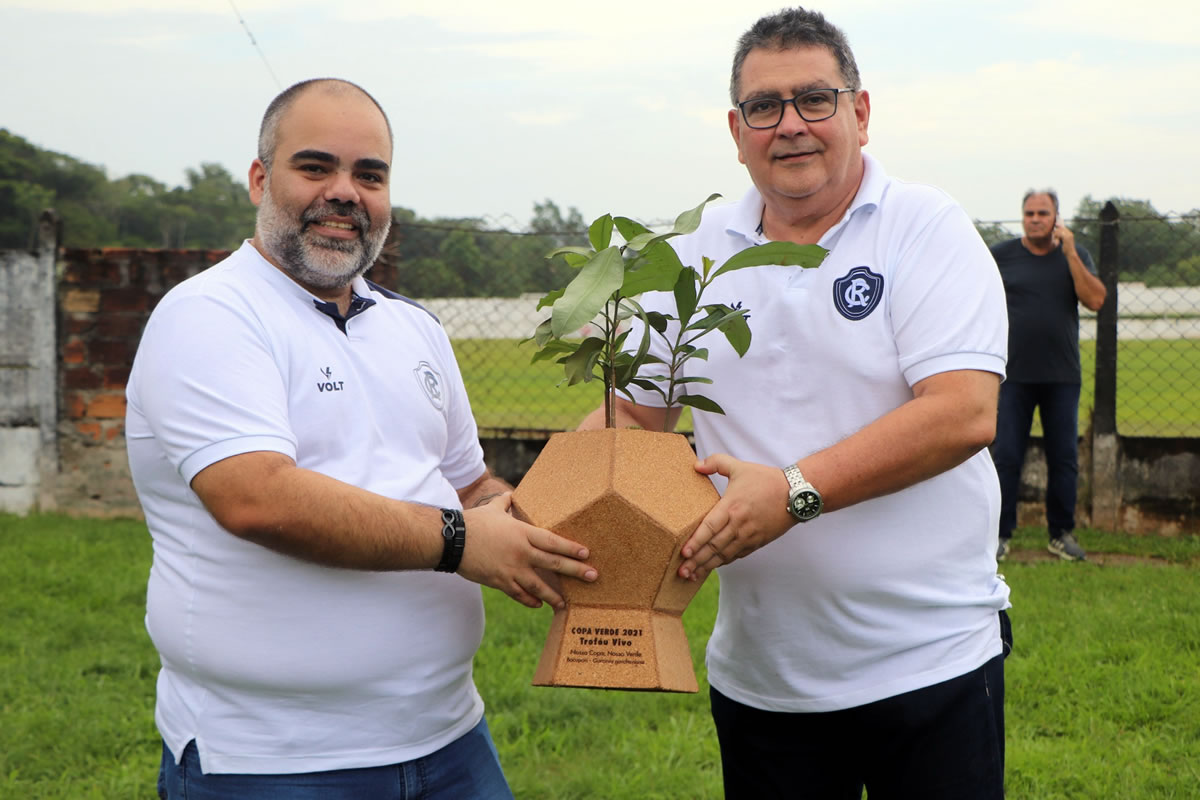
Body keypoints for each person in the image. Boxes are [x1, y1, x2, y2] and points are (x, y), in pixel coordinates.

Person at [579, 8, 1011, 799]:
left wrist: (793, 491)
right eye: (764, 107)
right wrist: (550, 502)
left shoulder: (925, 229)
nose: (791, 126)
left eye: (815, 99)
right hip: (763, 679)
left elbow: (961, 413)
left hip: (929, 663)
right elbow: (635, 418)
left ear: (861, 112)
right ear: (736, 130)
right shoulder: (693, 250)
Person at [125, 78, 598, 799]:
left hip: (451, 741)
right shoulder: (211, 315)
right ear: (260, 179)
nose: (345, 192)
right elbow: (257, 498)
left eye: (369, 175)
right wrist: (464, 541)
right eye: (316, 167)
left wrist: (576, 542)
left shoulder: (414, 327)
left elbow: (472, 488)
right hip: (271, 762)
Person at [991, 190, 1107, 562]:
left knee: (1064, 458)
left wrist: (1070, 251)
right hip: (1013, 376)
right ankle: (998, 536)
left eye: (1043, 213)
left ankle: (1061, 534)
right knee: (1006, 456)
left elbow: (1096, 300)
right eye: (1029, 213)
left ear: (1057, 217)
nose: (1035, 219)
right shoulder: (1002, 255)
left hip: (1061, 375)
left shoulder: (1075, 255)